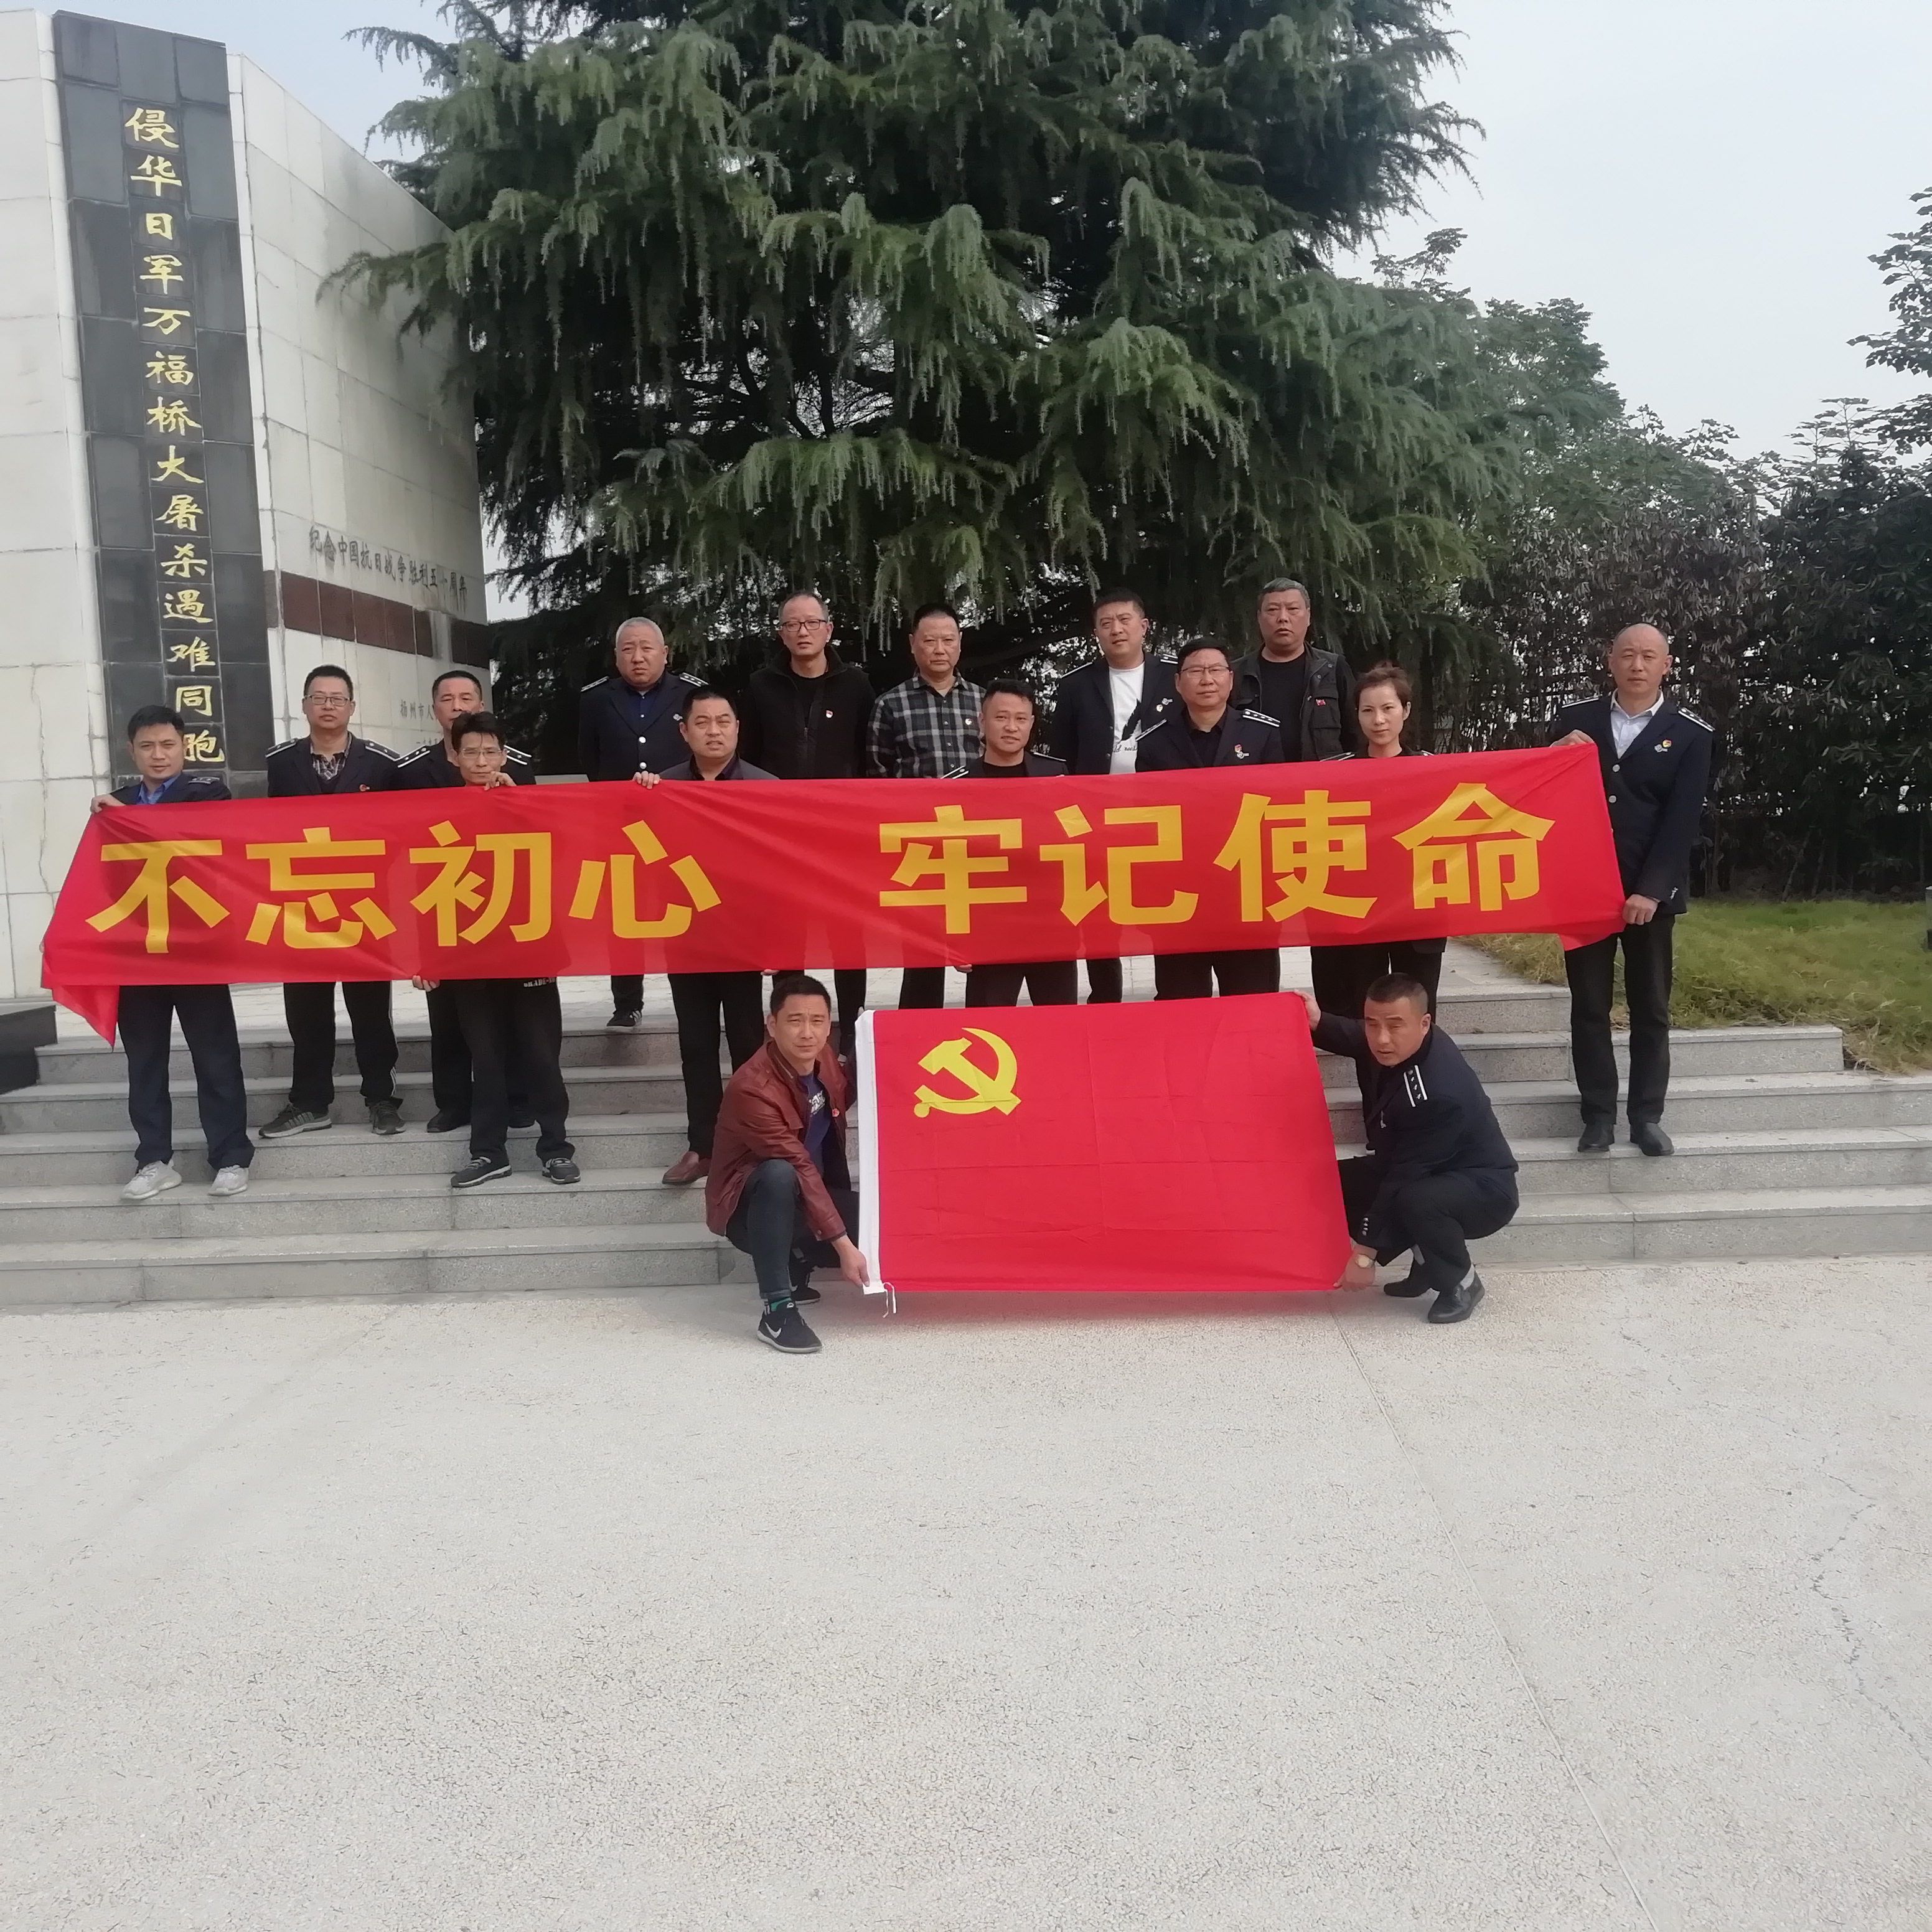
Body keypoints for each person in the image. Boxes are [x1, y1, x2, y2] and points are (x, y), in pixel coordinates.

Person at [1553, 624, 1715, 1157]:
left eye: (1649, 656)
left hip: (1649, 895)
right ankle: (1597, 1116)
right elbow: (1539, 790)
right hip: (1584, 891)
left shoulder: (1690, 733)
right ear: (1611, 660)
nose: (1637, 665)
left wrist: (1651, 889)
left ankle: (1647, 1117)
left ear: (1667, 665)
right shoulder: (1575, 720)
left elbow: (1681, 820)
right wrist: (1553, 752)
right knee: (1589, 1007)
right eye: (1627, 655)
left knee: (1651, 1008)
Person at [89, 706, 253, 1203]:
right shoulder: (113, 805)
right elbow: (98, 881)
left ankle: (230, 1157)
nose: (158, 755)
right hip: (137, 953)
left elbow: (196, 840)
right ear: (131, 751)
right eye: (147, 746)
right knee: (144, 1062)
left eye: (167, 745)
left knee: (216, 1057)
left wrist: (128, 819)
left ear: (184, 747)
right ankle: (154, 1160)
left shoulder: (208, 794)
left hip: (197, 950)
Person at [413, 713, 578, 1190]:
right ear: (454, 757)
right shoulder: (441, 815)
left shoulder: (528, 805)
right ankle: (488, 1152)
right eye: (471, 752)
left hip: (531, 949)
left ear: (505, 756)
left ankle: (556, 1149)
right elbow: (428, 889)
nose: (481, 761)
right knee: (485, 1059)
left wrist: (519, 804)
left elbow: (563, 854)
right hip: (471, 954)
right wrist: (426, 957)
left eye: (490, 751)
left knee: (542, 1056)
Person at [1302, 974, 1516, 1324]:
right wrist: (1318, 1020)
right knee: (1334, 1180)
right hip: (1431, 1170)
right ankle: (1426, 1264)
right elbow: (1359, 1035)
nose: (1381, 1039)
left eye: (1394, 1026)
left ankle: (1461, 1282)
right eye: (1373, 1024)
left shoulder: (1438, 1093)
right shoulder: (1408, 1041)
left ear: (1424, 1023)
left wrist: (1364, 1255)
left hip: (1483, 1189)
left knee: (1417, 1199)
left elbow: (1405, 1175)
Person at [631, 687, 777, 1186]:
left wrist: (775, 940)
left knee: (748, 1044)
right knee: (695, 1045)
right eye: (703, 723)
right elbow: (634, 848)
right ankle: (703, 1145)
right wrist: (639, 795)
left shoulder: (766, 788)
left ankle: (754, 1142)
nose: (714, 731)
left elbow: (780, 873)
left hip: (742, 938)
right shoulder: (661, 786)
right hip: (686, 934)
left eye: (723, 722)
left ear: (737, 728)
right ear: (684, 731)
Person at [260, 664, 405, 1140]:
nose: (328, 706)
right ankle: (309, 1102)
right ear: (304, 706)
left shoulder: (382, 765)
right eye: (318, 698)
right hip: (302, 907)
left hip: (365, 906)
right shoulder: (282, 763)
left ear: (351, 707)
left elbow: (404, 831)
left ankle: (381, 1099)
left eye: (337, 698)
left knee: (371, 1010)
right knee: (306, 1010)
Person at [395, 667, 534, 1132]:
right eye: (447, 698)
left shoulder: (518, 768)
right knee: (447, 1012)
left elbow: (541, 839)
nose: (457, 706)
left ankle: (517, 1098)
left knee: (509, 1011)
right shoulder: (411, 772)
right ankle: (454, 1102)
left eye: (466, 697)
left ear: (481, 704)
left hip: (504, 905)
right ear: (434, 708)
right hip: (442, 902)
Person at [706, 973, 871, 1356]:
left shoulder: (822, 1058)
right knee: (779, 1174)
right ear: (772, 1024)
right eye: (795, 1021)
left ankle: (797, 1260)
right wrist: (843, 1246)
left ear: (828, 1026)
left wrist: (877, 1044)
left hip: (805, 1196)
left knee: (879, 1228)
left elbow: (841, 1096)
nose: (807, 1033)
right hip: (748, 1210)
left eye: (817, 1021)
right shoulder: (753, 1088)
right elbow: (796, 1163)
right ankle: (778, 1310)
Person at [740, 590, 875, 1057]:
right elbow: (749, 757)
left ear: (828, 629)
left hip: (842, 829)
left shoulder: (856, 684)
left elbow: (866, 755)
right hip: (780, 831)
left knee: (848, 934)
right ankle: (789, 1028)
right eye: (792, 625)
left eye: (811, 624)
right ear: (781, 634)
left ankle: (852, 1030)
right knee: (787, 933)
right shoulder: (761, 686)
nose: (802, 632)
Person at [1135, 636, 1286, 1000]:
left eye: (1216, 670)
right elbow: (1147, 822)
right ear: (1178, 682)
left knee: (1253, 1000)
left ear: (1231, 679)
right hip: (1181, 895)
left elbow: (1278, 811)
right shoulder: (1154, 744)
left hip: (1247, 893)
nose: (1207, 679)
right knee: (1182, 1003)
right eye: (1196, 671)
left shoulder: (1262, 734)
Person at [1047, 588, 1178, 1002]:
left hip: (1161, 815)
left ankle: (1172, 994)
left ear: (1144, 626)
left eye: (1125, 620)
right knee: (1100, 913)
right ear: (1097, 633)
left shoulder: (1175, 676)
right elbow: (1061, 759)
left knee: (1165, 906)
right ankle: (1105, 998)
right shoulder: (1075, 685)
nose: (1116, 630)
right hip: (1096, 818)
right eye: (1106, 623)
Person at [578, 616, 704, 1030]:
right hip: (621, 824)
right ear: (616, 657)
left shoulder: (691, 694)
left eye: (647, 648)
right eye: (628, 649)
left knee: (688, 903)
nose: (638, 657)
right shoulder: (596, 700)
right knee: (624, 913)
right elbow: (591, 759)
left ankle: (695, 991)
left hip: (679, 822)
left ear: (665, 653)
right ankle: (627, 1003)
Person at [1307, 661, 1446, 1025]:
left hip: (1418, 908)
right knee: (1363, 1009)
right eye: (1368, 710)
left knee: (1416, 1012)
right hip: (1360, 910)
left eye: (1388, 708)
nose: (1379, 720)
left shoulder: (1435, 771)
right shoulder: (1335, 774)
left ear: (1406, 711)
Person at [868, 601, 987, 1010]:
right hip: (919, 844)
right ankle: (918, 1033)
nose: (939, 649)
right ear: (913, 645)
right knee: (921, 956)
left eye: (948, 640)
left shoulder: (984, 702)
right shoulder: (890, 705)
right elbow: (878, 777)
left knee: (982, 951)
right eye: (930, 640)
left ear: (960, 644)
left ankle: (985, 1026)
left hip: (976, 843)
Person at [949, 680, 1077, 1008]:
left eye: (1021, 719)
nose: (1011, 727)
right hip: (989, 930)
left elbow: (1080, 841)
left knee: (1061, 1024)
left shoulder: (1057, 777)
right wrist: (954, 938)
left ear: (1032, 724)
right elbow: (945, 864)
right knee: (987, 1026)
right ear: (982, 721)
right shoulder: (956, 786)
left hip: (1052, 925)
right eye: (1001, 717)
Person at [1233, 578, 1358, 760]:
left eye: (1293, 609)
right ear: (1259, 618)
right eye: (1272, 610)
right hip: (1256, 776)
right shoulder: (1236, 674)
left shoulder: (1332, 669)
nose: (1283, 618)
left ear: (1308, 616)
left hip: (1322, 777)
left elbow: (1357, 734)